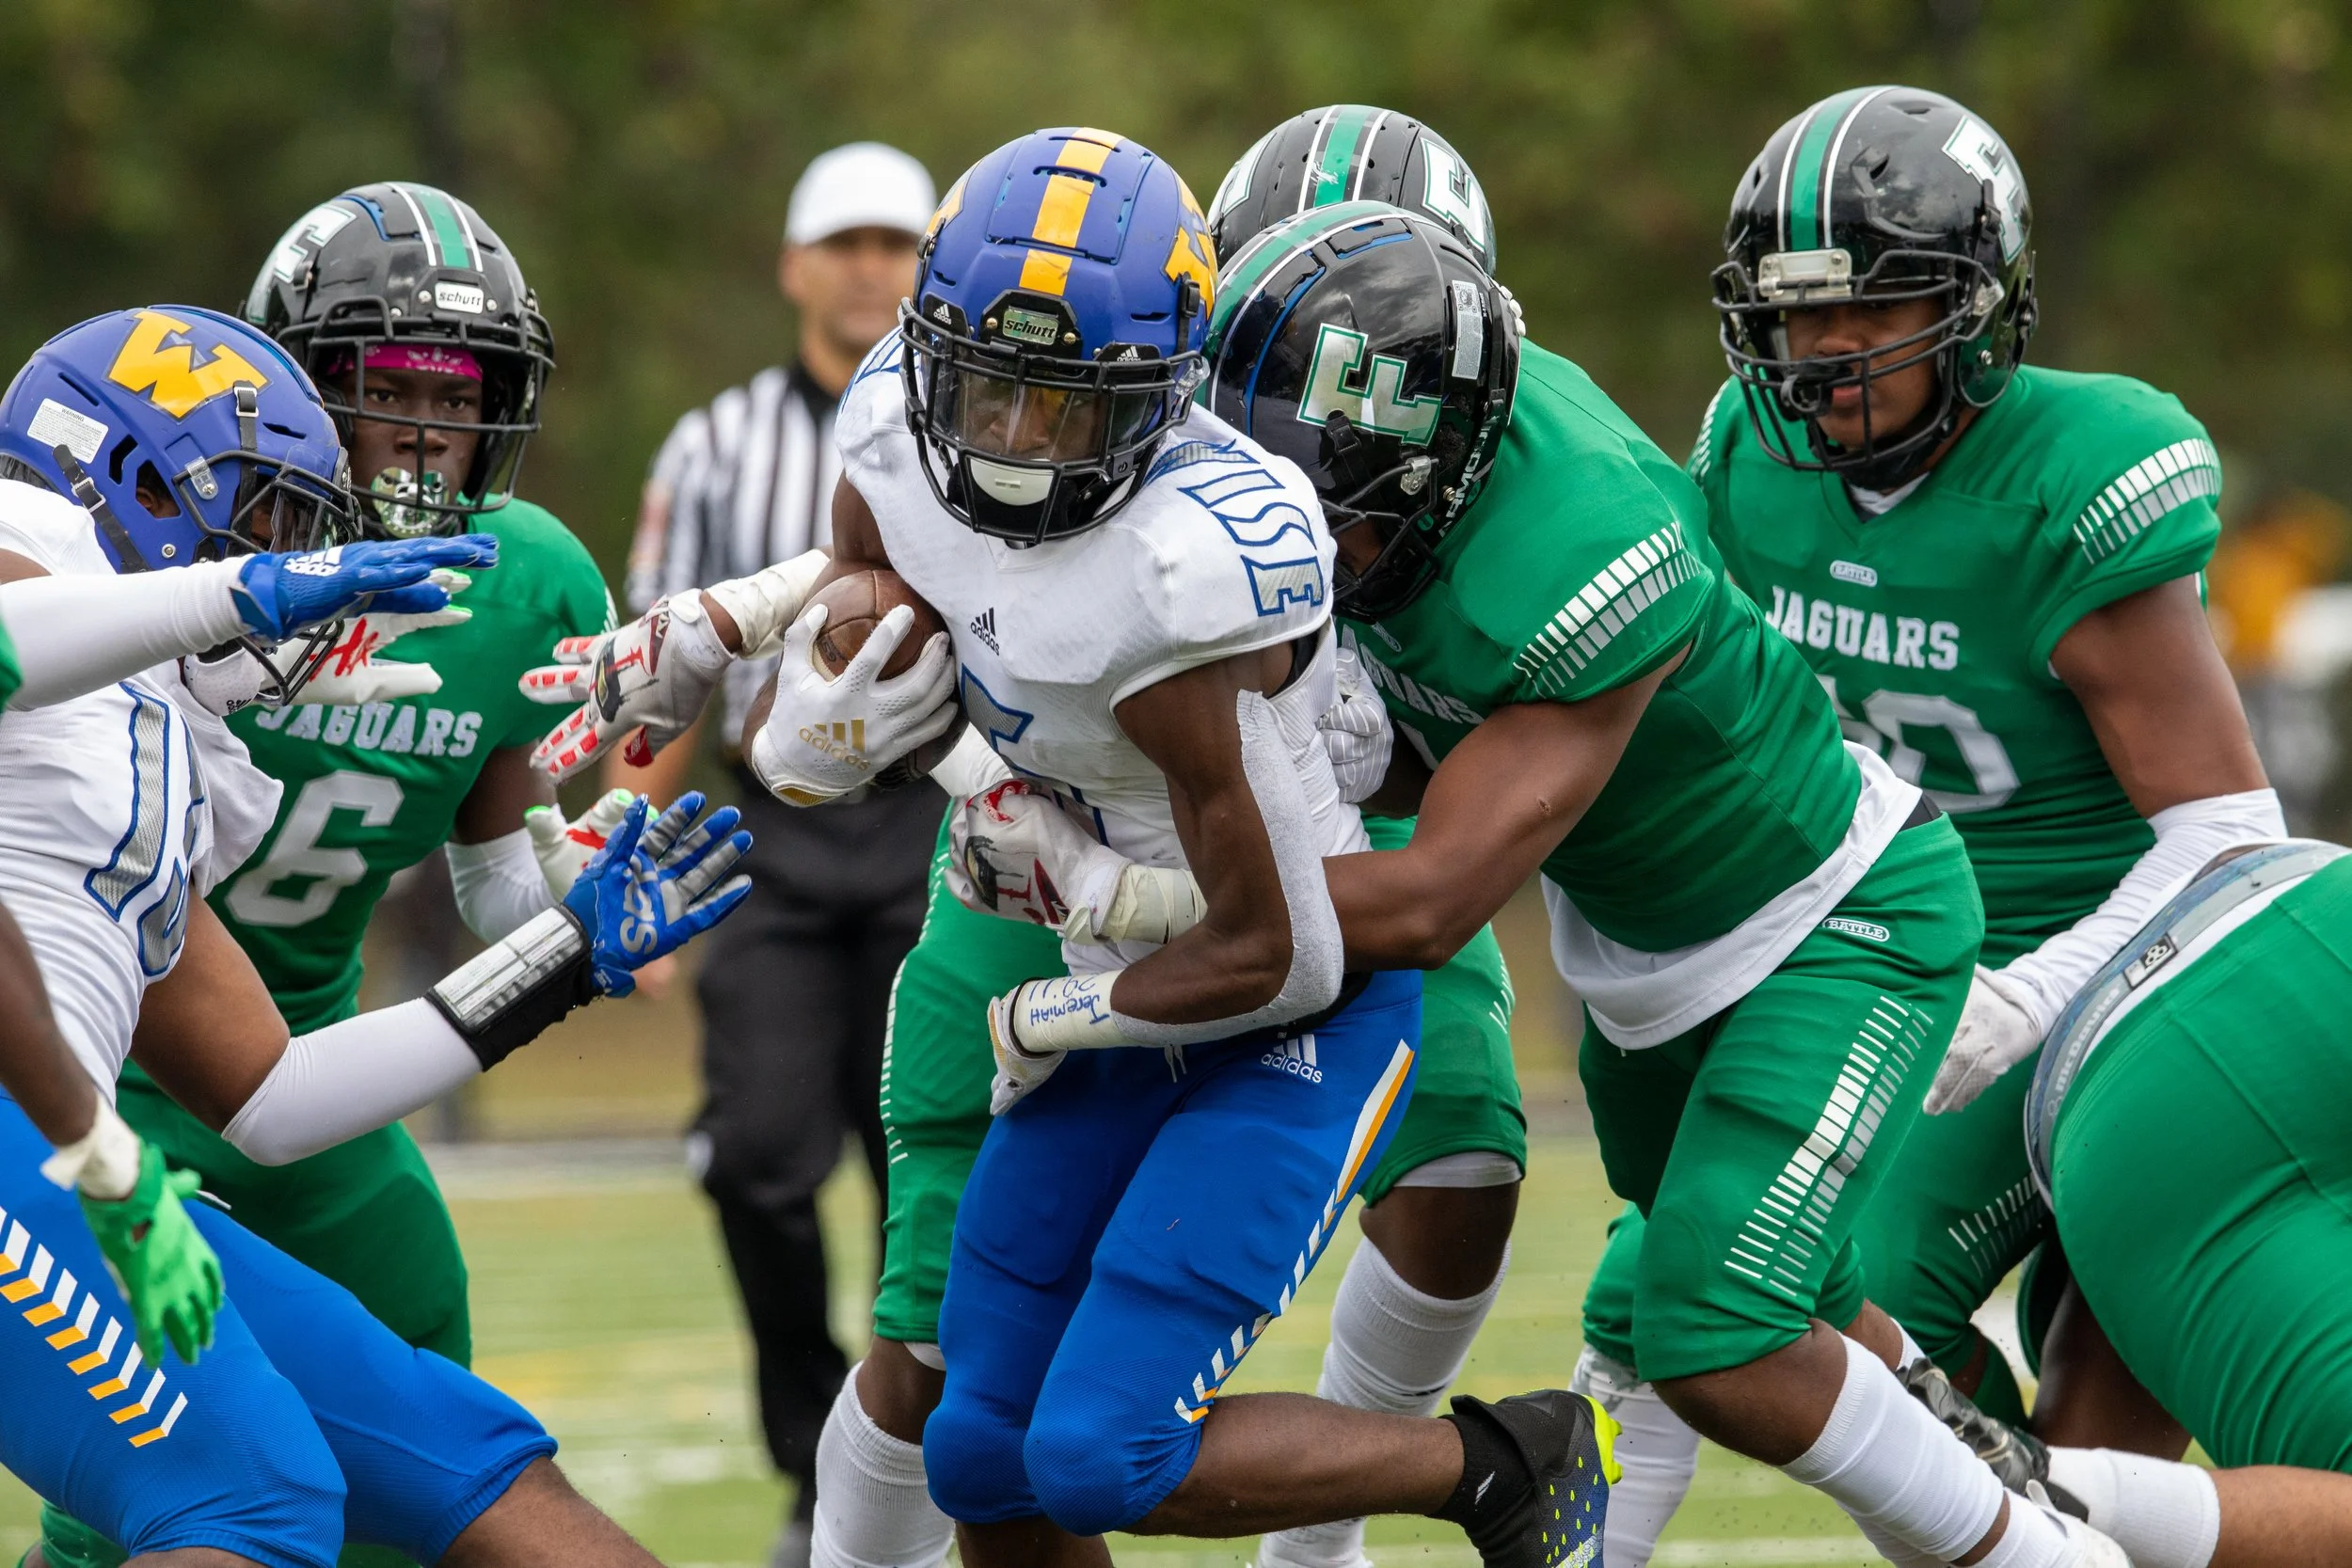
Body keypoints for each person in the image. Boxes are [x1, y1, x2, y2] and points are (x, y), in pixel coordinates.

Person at [993, 180, 2145, 1564]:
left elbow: (1429, 900)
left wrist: (1120, 892)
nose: (1289, 565)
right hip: (1645, 962)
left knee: (1718, 1320)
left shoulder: (1581, 543)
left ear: (1433, 475)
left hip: (1831, 925)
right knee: (1757, 1295)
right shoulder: (1376, 459)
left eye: (1325, 523)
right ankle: (1976, 1443)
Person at [730, 105, 1534, 1568]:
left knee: (1101, 1444)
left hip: (1259, 963)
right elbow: (871, 603)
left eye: (1068, 405)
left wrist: (1060, 992)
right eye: (989, 391)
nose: (1019, 445)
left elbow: (1283, 943)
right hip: (1085, 935)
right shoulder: (891, 435)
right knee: (972, 1434)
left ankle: (1490, 1468)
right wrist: (795, 710)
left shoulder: (1186, 571)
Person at [1568, 87, 2275, 1566]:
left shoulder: (2075, 476)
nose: (1827, 352)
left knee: (1756, 1278)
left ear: (1981, 302)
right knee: (1662, 1281)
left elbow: (2230, 834)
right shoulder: (1745, 458)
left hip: (2101, 982)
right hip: (1873, 952)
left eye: (1876, 304)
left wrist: (2026, 998)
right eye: (1795, 313)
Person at [0, 303, 750, 1568]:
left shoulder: (146, 748)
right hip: (52, 1145)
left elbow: (275, 1092)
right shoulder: (33, 546)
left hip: (77, 1155)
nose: (298, 559)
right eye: (271, 515)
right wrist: (230, 589)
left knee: (479, 1466)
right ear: (135, 485)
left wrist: (562, 953)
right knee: (251, 1498)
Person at [547, 141, 940, 1562]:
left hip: (936, 827)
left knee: (927, 1160)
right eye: (845, 243)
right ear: (794, 265)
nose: (870, 268)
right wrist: (624, 852)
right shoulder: (715, 442)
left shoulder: (984, 430)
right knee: (755, 1156)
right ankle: (816, 1461)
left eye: (897, 243)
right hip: (761, 835)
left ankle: (916, 1463)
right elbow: (663, 670)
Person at [1903, 838, 2352, 1568]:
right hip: (2128, 1093)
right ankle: (2027, 1489)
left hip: (2292, 912)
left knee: (2080, 1521)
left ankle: (2031, 1488)